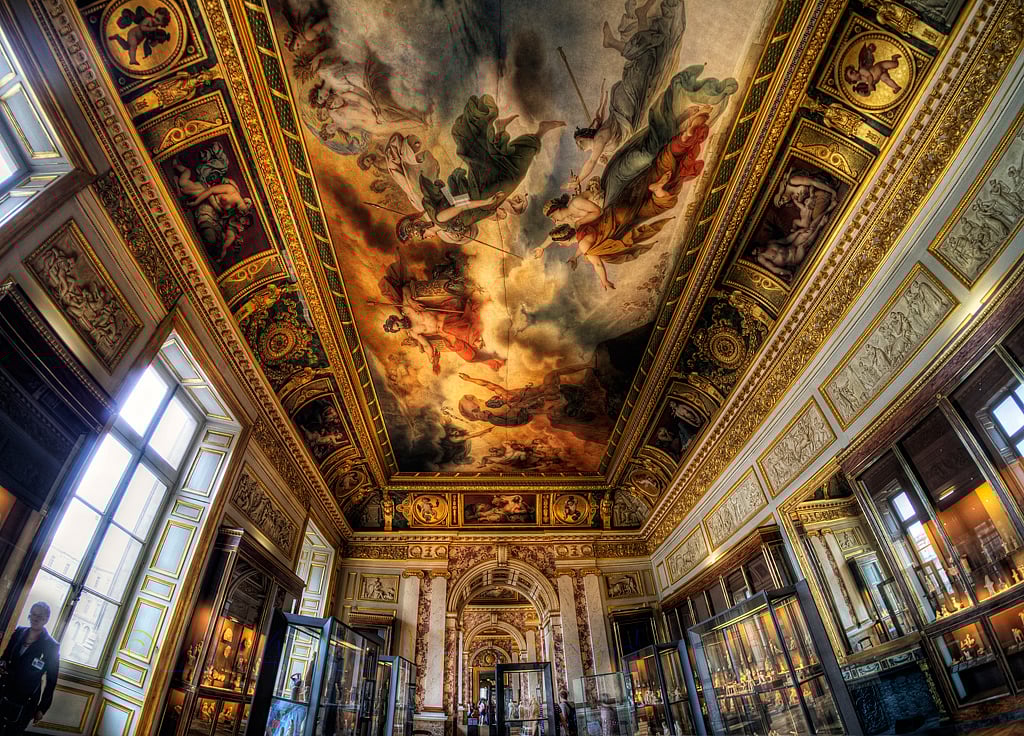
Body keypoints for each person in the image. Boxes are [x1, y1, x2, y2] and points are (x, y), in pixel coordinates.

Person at [0, 602, 60, 734]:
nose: (36, 618)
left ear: (46, 619)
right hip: (5, 690)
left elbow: (51, 680)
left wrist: (42, 708)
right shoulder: (19, 632)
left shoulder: (51, 645)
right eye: (33, 614)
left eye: (41, 616)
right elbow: (5, 656)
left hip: (26, 699)